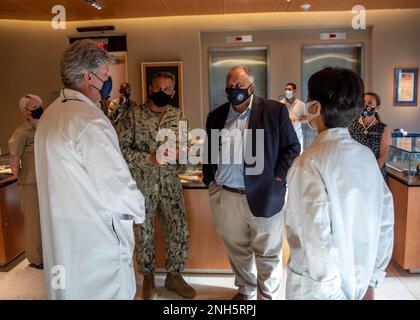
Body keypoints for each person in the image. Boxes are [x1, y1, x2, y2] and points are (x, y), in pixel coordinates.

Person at [34, 39, 145, 300]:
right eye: (105, 76)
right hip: (96, 240)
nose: (108, 83)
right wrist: (139, 209)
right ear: (88, 77)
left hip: (63, 232)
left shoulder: (50, 115)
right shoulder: (90, 120)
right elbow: (117, 188)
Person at [285, 67, 394, 300]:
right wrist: (373, 278)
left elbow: (315, 237)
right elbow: (385, 221)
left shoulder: (308, 163)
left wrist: (330, 293)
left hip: (317, 289)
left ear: (315, 107)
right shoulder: (366, 157)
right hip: (360, 282)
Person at [203, 66, 300, 300]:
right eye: (230, 85)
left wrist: (277, 177)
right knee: (237, 249)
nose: (234, 90)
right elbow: (209, 152)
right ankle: (245, 289)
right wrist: (210, 181)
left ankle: (267, 294)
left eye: (239, 85)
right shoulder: (216, 116)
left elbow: (292, 147)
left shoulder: (274, 111)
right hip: (226, 195)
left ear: (251, 87)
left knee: (268, 252)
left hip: (265, 194)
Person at [117, 72, 196, 300]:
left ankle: (174, 276)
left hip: (171, 185)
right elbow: (121, 150)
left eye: (168, 89)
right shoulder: (133, 116)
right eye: (158, 88)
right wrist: (149, 158)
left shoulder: (178, 116)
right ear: (151, 89)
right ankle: (148, 278)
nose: (163, 92)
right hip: (142, 186)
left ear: (173, 91)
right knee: (144, 233)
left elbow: (188, 148)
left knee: (179, 230)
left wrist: (182, 151)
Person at [8, 94, 44, 269]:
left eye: (40, 105)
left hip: (45, 181)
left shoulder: (44, 127)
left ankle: (46, 254)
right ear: (25, 111)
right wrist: (18, 175)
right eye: (34, 107)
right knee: (34, 222)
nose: (39, 109)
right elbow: (14, 160)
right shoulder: (22, 132)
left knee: (45, 220)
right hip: (30, 182)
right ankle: (36, 259)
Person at [348, 92, 391, 180]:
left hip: (374, 174)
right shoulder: (351, 125)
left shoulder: (382, 128)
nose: (365, 105)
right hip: (354, 173)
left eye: (370, 103)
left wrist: (370, 172)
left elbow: (384, 154)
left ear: (377, 108)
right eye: (363, 102)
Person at [280, 82, 306, 153]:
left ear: (294, 91)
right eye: (286, 89)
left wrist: (299, 119)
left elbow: (307, 118)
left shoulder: (301, 104)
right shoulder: (280, 104)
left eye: (289, 89)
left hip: (297, 135)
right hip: (284, 136)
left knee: (297, 157)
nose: (287, 91)